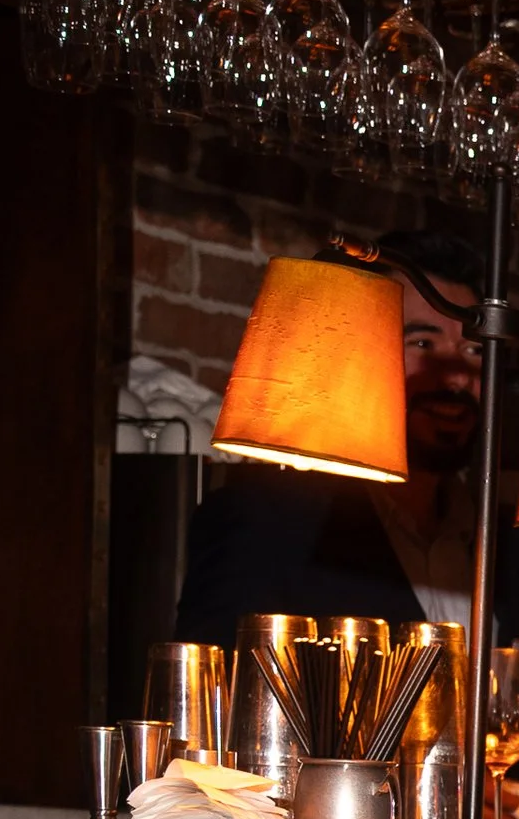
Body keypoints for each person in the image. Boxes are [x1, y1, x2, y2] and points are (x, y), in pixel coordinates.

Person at [176, 225, 487, 642]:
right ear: (367, 350)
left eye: (474, 350)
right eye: (423, 344)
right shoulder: (269, 521)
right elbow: (214, 693)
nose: (456, 378)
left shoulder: (495, 542)